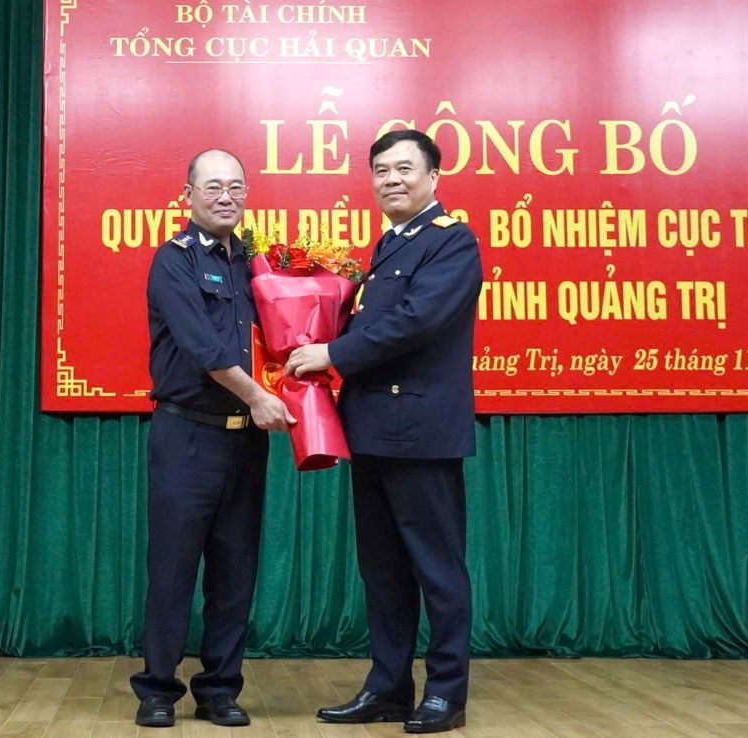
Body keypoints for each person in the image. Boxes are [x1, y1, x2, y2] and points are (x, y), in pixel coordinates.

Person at [285, 129, 482, 734]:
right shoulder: (390, 244)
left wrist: (331, 353)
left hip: (421, 432)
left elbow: (417, 322)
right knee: (383, 571)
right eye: (381, 170)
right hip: (371, 428)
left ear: (433, 177)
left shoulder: (451, 241)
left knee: (437, 569)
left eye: (404, 168)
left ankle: (446, 694)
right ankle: (389, 687)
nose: (391, 179)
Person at [132, 149, 295, 728]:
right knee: (173, 570)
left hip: (245, 442)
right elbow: (203, 347)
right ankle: (157, 690)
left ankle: (220, 689)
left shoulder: (257, 264)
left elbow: (284, 332)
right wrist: (258, 397)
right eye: (213, 187)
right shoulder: (173, 260)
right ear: (189, 195)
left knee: (235, 572)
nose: (226, 197)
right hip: (187, 435)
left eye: (236, 187)